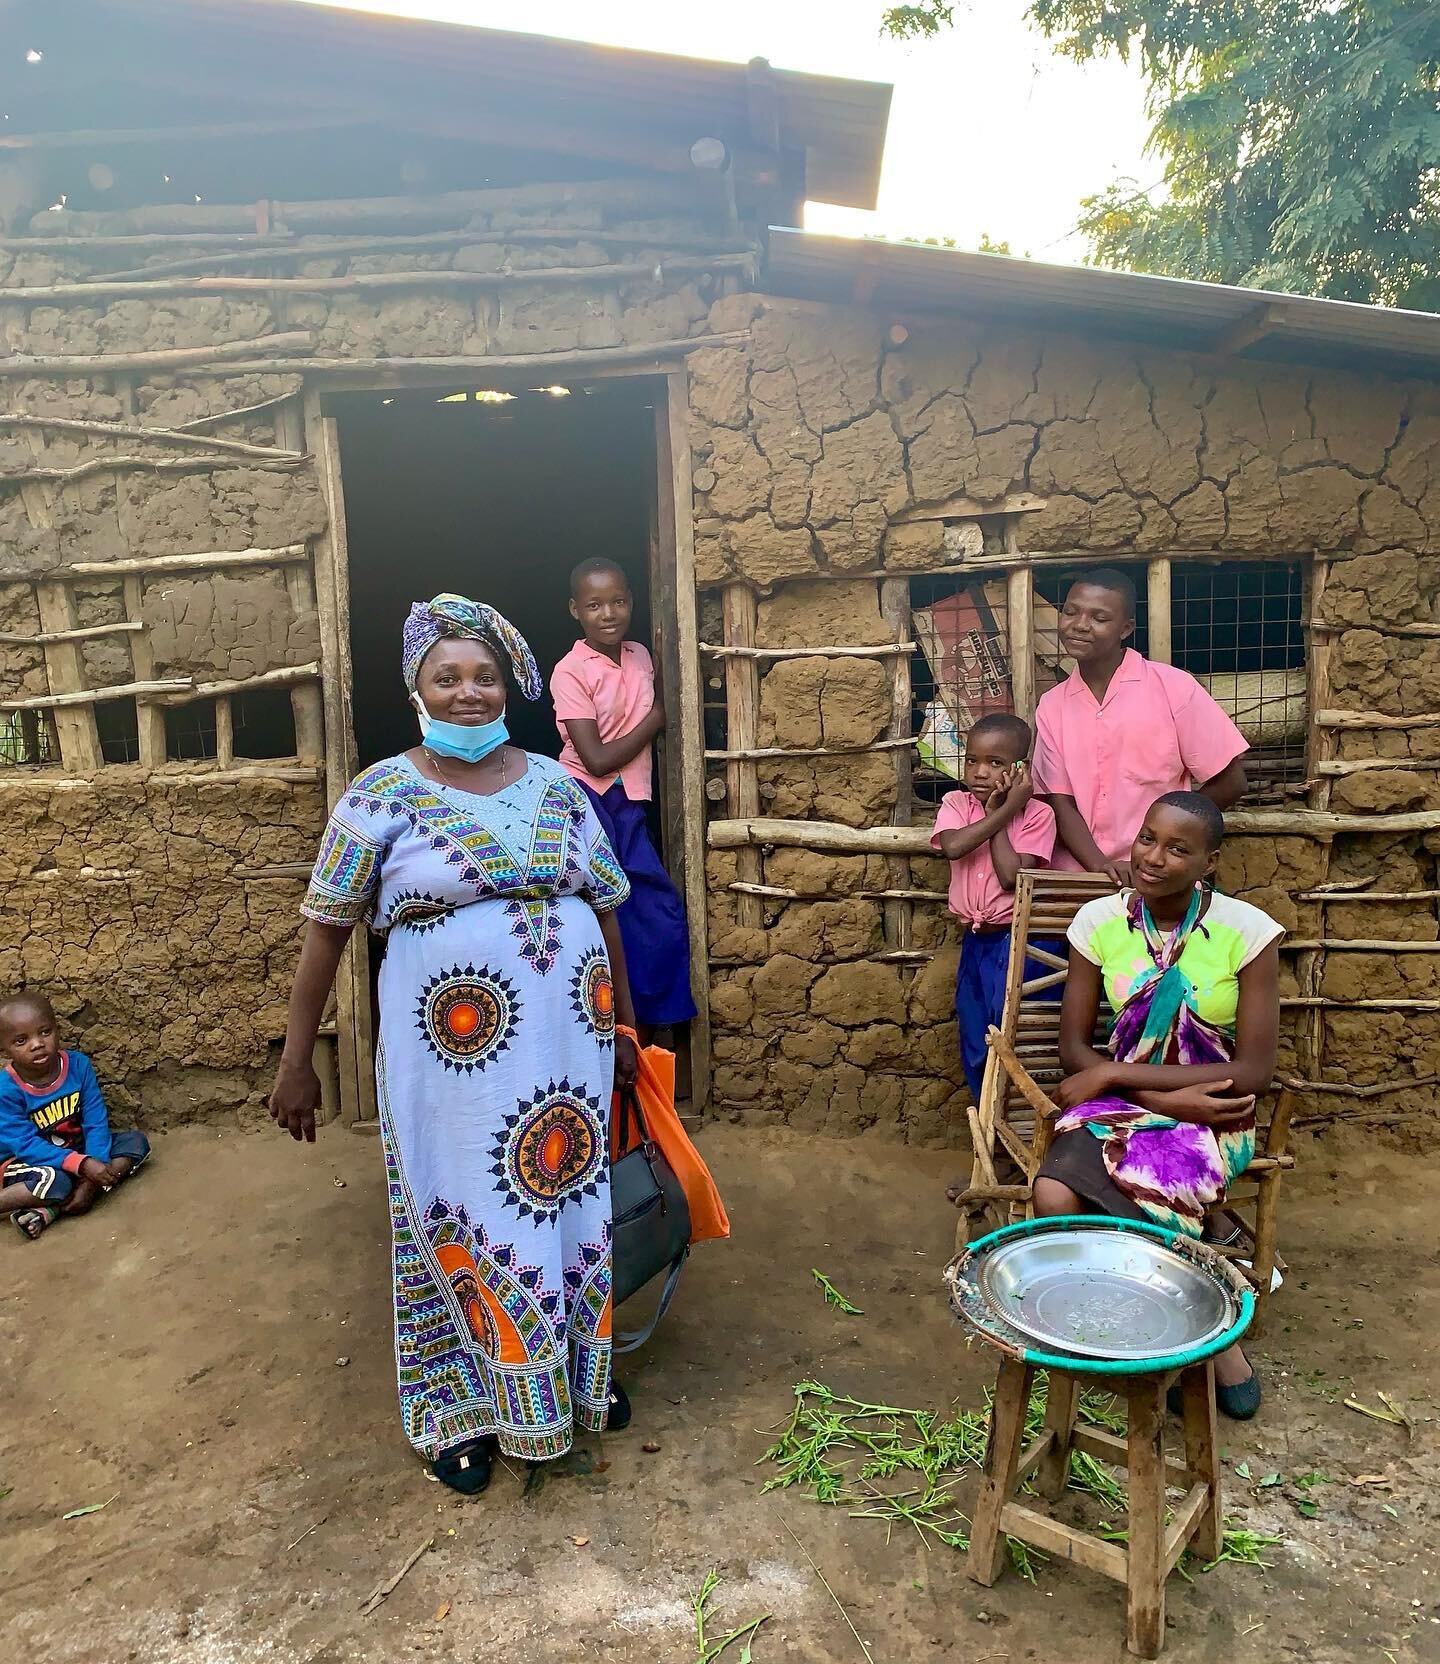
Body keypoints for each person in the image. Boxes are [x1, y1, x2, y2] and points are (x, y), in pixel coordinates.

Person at [268, 593, 641, 1496]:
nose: (469, 693)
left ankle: (574, 1382)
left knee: (569, 1203)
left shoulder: (558, 783)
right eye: (448, 678)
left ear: (507, 682)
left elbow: (605, 906)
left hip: (570, 1047)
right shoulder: (380, 796)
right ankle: (458, 1410)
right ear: (418, 692)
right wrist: (295, 1060)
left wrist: (624, 1026)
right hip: (453, 1060)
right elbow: (326, 928)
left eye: (483, 676)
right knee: (465, 1209)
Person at [1034, 791, 1282, 1418]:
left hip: (1220, 1105)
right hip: (1124, 1105)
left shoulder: (1246, 932)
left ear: (1209, 862)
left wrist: (1117, 1072)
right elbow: (1072, 1049)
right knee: (1053, 1194)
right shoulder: (1098, 923)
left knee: (1159, 1181)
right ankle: (1133, 1326)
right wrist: (1147, 1092)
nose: (1153, 857)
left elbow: (1254, 1068)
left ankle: (1203, 1339)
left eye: (1178, 848)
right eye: (1147, 838)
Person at [550, 557, 696, 1040]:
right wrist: (656, 720)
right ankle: (608, 1032)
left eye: (617, 601)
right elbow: (594, 758)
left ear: (632, 601)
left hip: (628, 801)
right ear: (574, 610)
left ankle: (654, 1032)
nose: (607, 613)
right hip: (589, 802)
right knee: (600, 913)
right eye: (594, 605)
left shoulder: (640, 655)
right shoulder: (570, 671)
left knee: (652, 912)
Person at [1032, 568, 1249, 883]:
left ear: (1126, 628)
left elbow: (1232, 782)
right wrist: (1101, 867)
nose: (1080, 625)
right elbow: (1059, 802)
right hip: (1082, 879)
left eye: (1100, 618)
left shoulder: (1174, 688)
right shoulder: (1052, 706)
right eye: (1070, 612)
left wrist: (1162, 844)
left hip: (1161, 880)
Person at [929, 713, 1059, 1103]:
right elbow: (954, 846)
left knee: (1014, 1038)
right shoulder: (955, 802)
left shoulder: (1039, 815)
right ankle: (988, 1123)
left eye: (996, 763)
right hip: (976, 944)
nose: (981, 772)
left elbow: (1011, 878)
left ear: (1020, 769)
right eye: (972, 761)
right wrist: (1001, 810)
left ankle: (1018, 1122)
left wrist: (1001, 814)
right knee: (974, 1036)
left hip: (1019, 945)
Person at [0, 991, 149, 1240]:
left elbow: (95, 1120)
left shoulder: (78, 1066)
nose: (36, 1044)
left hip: (77, 1151)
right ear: (4, 1049)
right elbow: (25, 1145)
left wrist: (93, 1172)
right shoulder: (6, 1090)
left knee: (135, 1143)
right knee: (54, 1180)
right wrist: (83, 1166)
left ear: (58, 1030)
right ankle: (62, 1197)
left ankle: (49, 1211)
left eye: (44, 1032)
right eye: (21, 1040)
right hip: (26, 1161)